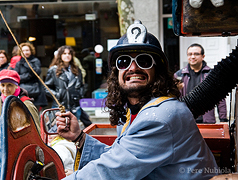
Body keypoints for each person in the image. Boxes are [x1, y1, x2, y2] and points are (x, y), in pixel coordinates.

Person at [55, 20, 219, 179]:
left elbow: (112, 171)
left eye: (144, 61)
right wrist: (79, 137)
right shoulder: (134, 111)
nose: (133, 68)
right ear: (116, 72)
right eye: (124, 61)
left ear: (158, 70)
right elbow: (122, 159)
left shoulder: (161, 116)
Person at [174, 43, 227, 123]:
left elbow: (221, 100)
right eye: (190, 54)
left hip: (207, 122)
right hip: (186, 121)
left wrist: (223, 119)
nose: (192, 57)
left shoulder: (211, 75)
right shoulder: (179, 75)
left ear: (203, 56)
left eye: (196, 54)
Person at [45, 45, 92, 128]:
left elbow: (82, 85)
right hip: (60, 106)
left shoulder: (77, 69)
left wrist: (79, 94)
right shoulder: (53, 70)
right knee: (59, 131)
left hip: (74, 106)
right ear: (60, 55)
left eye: (69, 53)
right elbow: (47, 87)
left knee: (74, 131)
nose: (67, 55)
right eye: (64, 53)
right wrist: (57, 94)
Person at [14, 42, 47, 110]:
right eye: (23, 50)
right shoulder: (18, 63)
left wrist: (27, 65)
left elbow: (37, 72)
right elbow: (16, 77)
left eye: (27, 50)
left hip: (36, 92)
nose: (25, 52)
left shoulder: (35, 61)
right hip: (23, 92)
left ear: (31, 51)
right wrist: (29, 76)